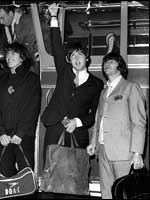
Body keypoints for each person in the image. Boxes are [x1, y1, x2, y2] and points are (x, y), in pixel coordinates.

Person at [41, 2, 104, 168]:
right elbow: (56, 46)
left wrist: (76, 122)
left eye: (80, 55)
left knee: (74, 177)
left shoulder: (96, 84)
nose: (76, 59)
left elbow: (94, 114)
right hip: (55, 127)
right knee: (51, 173)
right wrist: (54, 17)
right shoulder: (64, 71)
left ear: (87, 58)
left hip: (77, 133)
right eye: (73, 55)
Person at [87, 52, 147, 199]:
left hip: (123, 153)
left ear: (120, 67)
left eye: (112, 62)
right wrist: (93, 142)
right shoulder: (103, 92)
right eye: (105, 62)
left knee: (124, 193)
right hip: (103, 150)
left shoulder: (131, 87)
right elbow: (98, 120)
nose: (107, 64)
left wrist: (137, 153)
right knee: (106, 192)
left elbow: (138, 122)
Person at [0, 42, 41, 178]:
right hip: (4, 137)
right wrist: (1, 133)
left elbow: (32, 108)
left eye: (13, 54)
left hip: (23, 136)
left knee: (26, 177)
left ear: (22, 57)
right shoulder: (1, 80)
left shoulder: (32, 79)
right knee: (5, 175)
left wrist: (20, 133)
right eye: (7, 54)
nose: (9, 57)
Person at [0, 5, 40, 75]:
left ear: (11, 13)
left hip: (31, 65)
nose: (1, 22)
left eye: (2, 18)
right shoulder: (10, 27)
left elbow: (27, 48)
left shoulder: (25, 22)